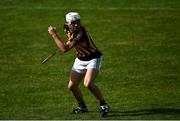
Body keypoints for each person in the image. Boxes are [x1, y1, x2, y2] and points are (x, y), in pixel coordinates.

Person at [48, 12, 109, 117]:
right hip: (80, 59)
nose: (77, 24)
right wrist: (68, 42)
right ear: (68, 23)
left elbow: (64, 49)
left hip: (93, 58)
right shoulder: (66, 27)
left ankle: (104, 104)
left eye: (78, 22)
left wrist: (54, 35)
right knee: (72, 86)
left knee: (88, 84)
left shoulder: (80, 33)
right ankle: (82, 107)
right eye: (74, 22)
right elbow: (68, 41)